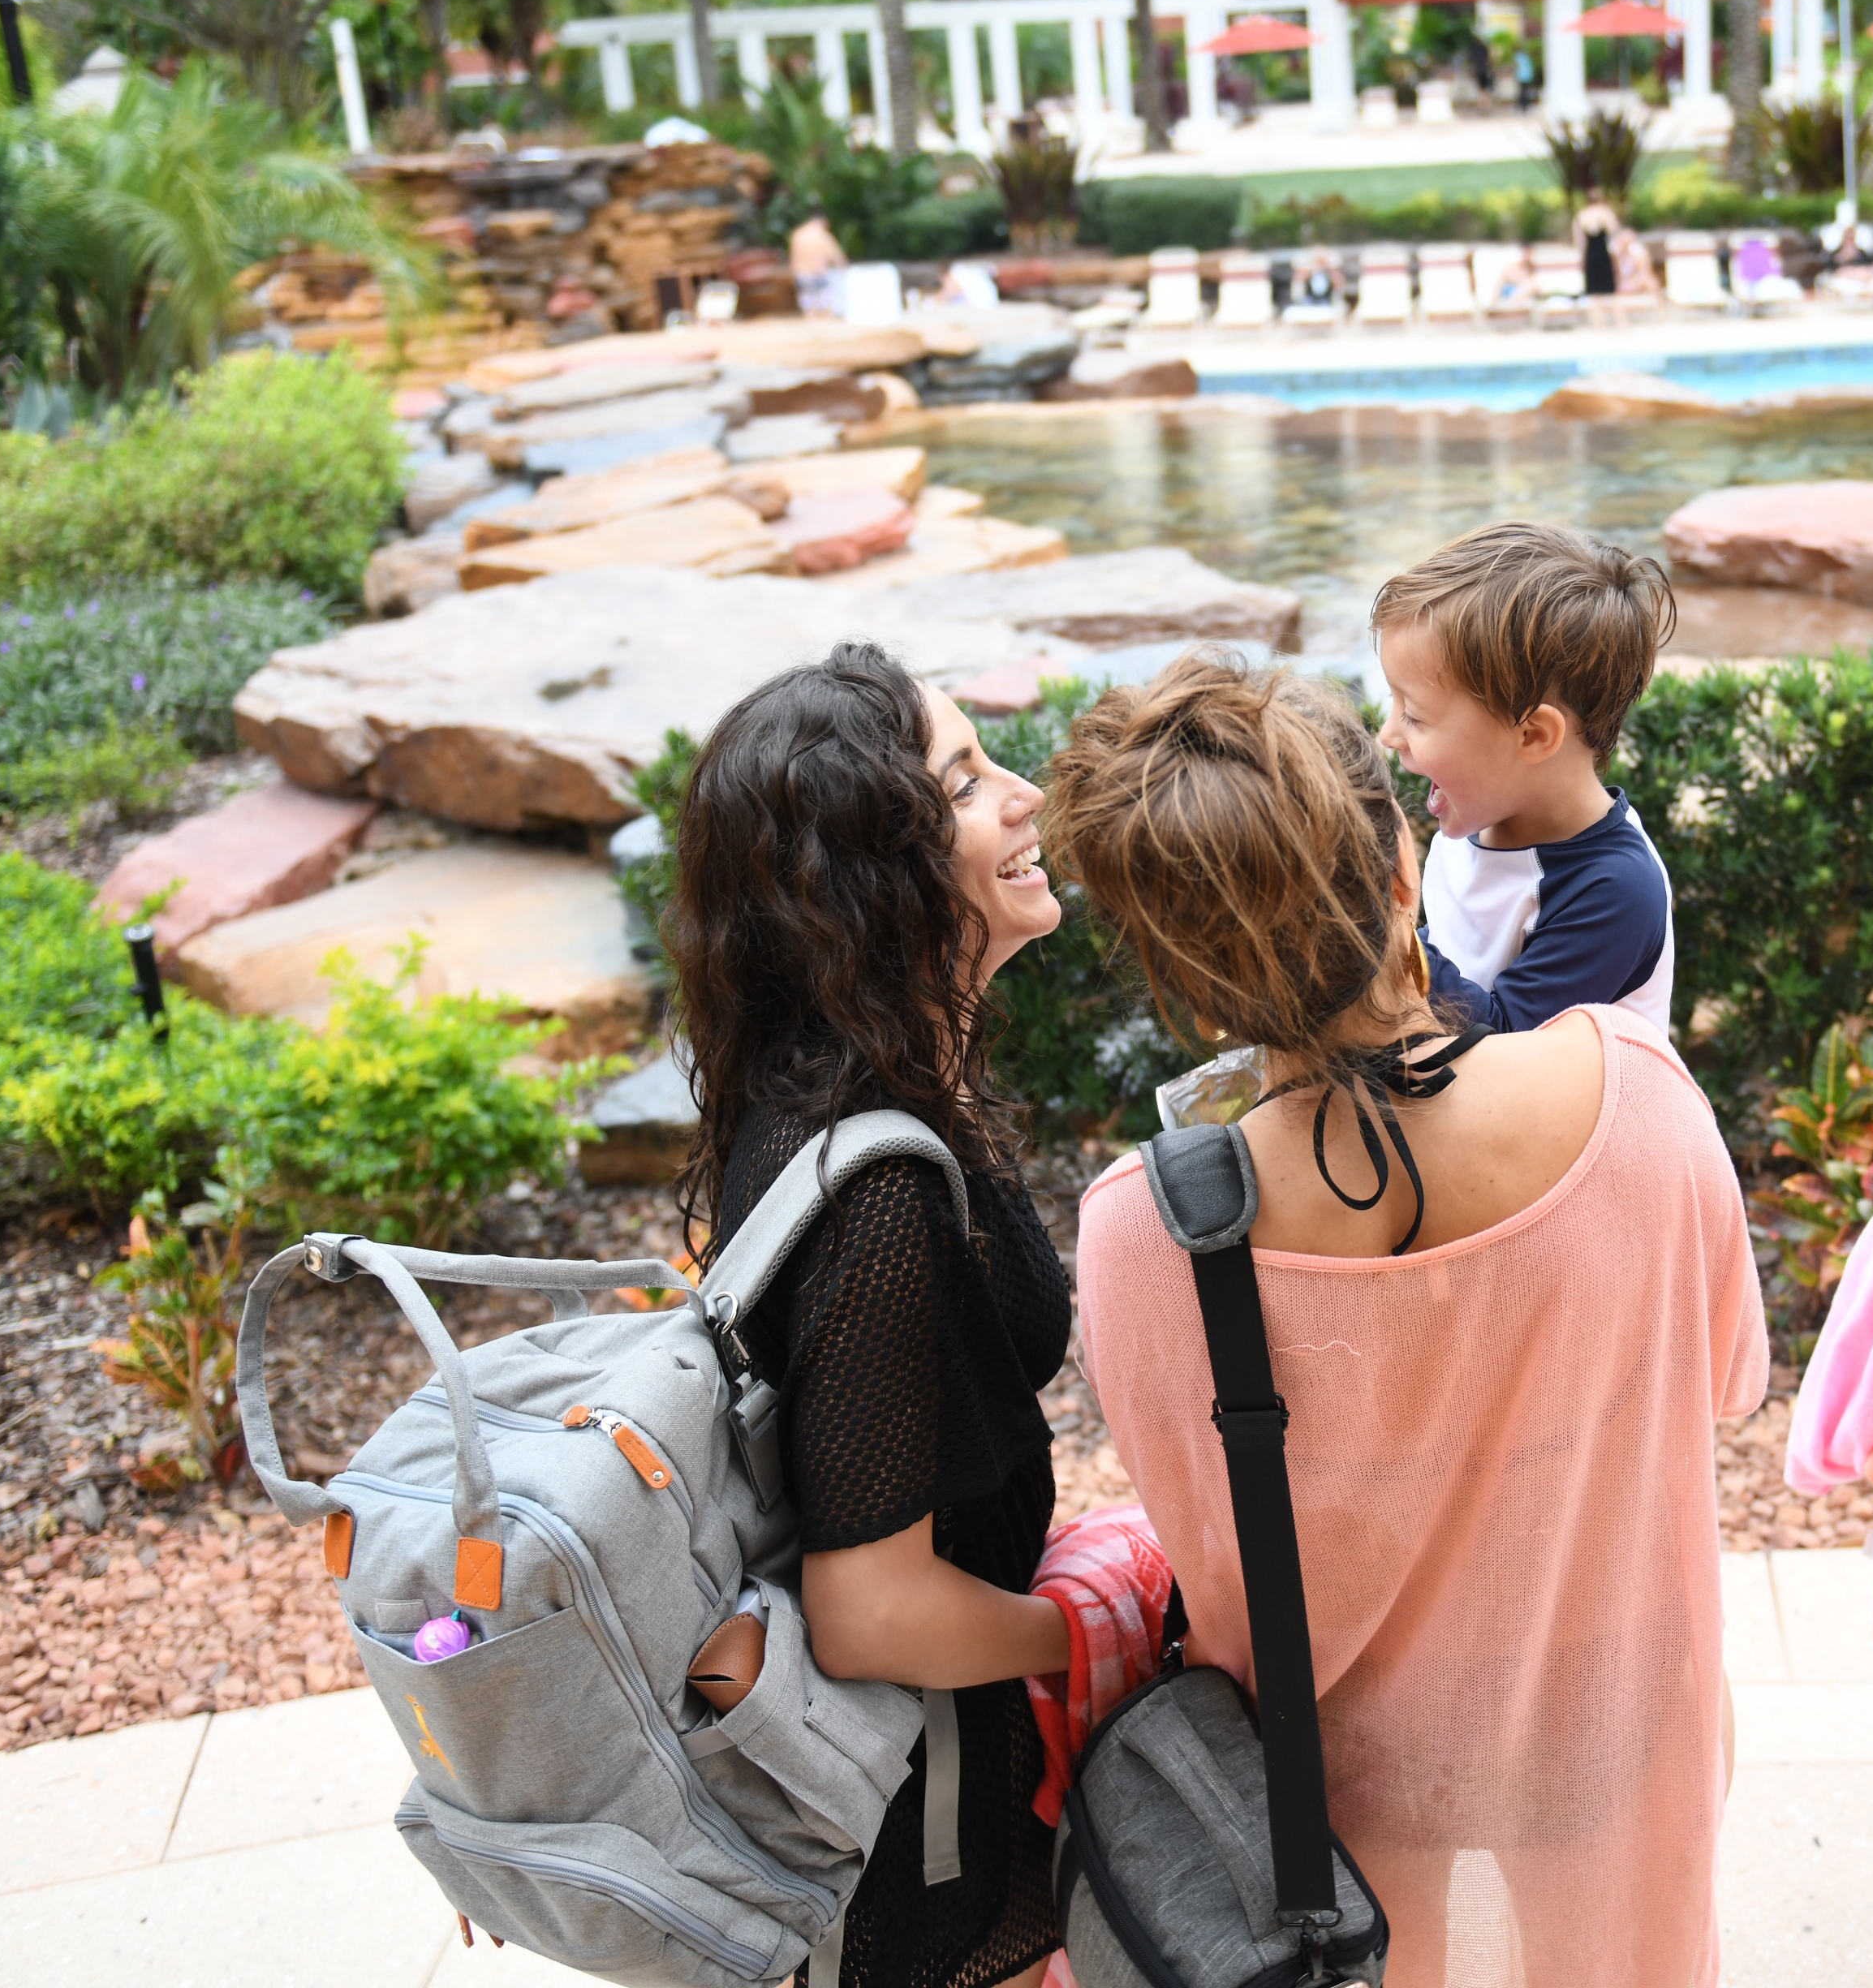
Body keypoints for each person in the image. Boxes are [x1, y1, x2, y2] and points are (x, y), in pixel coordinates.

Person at [1051, 657, 1766, 1988]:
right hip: (1613, 1724)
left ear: (1178, 972)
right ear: (1397, 870)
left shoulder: (1140, 1231)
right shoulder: (1640, 1101)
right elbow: (1720, 1383)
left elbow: (1205, 1544)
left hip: (1330, 1812)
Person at [668, 643, 1076, 1988]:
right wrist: (1089, 1628)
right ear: (875, 878)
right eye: (964, 781)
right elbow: (870, 1609)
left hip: (932, 1775)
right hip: (922, 1820)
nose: (1022, 794)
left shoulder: (860, 1081)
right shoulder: (877, 1188)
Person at [1372, 521, 1680, 1036]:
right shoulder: (1482, 814)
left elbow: (1504, 1036)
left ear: (1534, 735)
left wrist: (1382, 924)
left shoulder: (1614, 890)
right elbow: (1456, 949)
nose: (1389, 734)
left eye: (1417, 716)